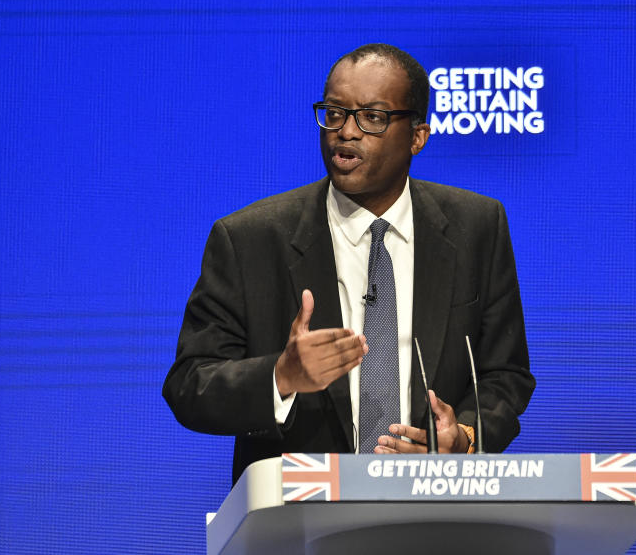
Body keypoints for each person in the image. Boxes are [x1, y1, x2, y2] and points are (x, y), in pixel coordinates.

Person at [163, 43, 535, 484]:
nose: (346, 132)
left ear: (417, 135)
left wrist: (467, 437)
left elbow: (505, 376)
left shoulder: (478, 227)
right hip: (299, 526)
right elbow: (189, 385)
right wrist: (280, 377)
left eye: (372, 118)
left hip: (436, 511)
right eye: (335, 113)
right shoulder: (249, 239)